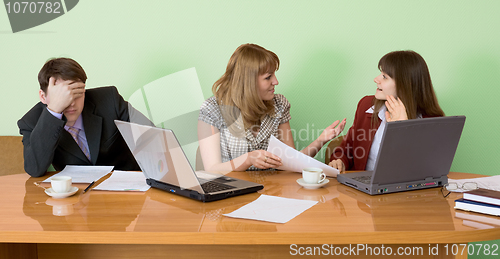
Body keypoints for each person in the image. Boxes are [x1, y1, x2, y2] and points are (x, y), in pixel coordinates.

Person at [198, 43, 346, 171]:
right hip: (231, 193)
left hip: (272, 191)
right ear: (247, 82)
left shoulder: (279, 105)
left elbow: (292, 162)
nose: (276, 81)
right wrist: (248, 159)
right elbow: (212, 169)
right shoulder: (212, 109)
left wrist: (321, 140)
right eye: (268, 77)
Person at [18, 57, 151, 177]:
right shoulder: (31, 122)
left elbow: (152, 136)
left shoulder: (109, 100)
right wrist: (54, 110)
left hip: (125, 189)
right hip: (75, 196)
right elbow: (34, 169)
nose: (70, 102)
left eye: (76, 93)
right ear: (43, 96)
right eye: (61, 95)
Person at [328, 50, 445, 173]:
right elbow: (347, 149)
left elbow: (428, 170)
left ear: (405, 84)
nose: (376, 79)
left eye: (385, 77)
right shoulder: (366, 106)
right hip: (362, 189)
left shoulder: (433, 122)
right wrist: (340, 161)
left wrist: (404, 130)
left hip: (405, 191)